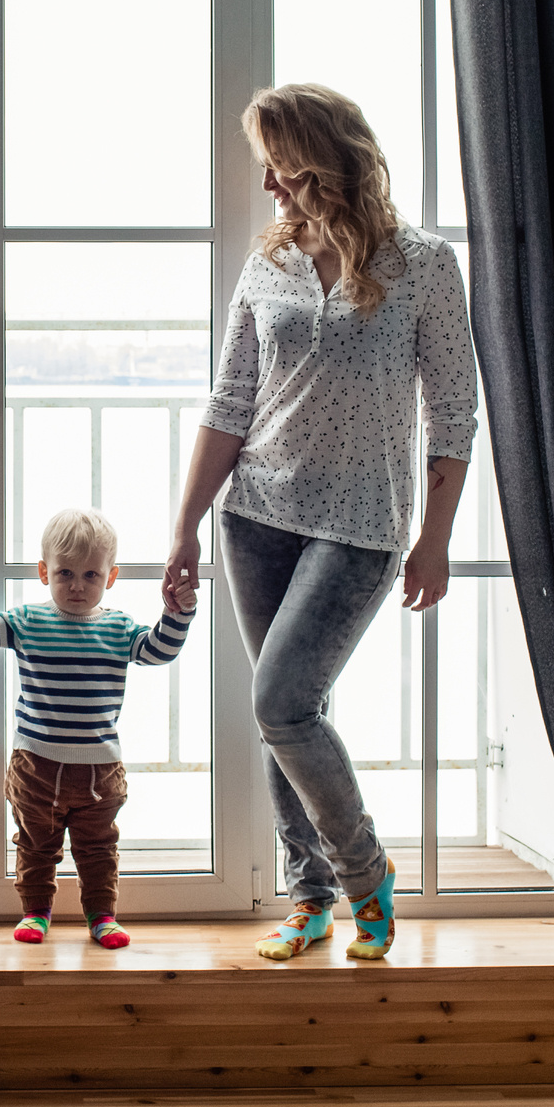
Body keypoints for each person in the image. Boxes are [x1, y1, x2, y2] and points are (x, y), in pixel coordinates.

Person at [162, 83, 479, 962]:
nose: (267, 183)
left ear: (324, 157)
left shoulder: (422, 265)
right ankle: (310, 899)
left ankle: (363, 872)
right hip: (256, 513)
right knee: (286, 711)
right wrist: (186, 526)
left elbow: (454, 412)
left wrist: (438, 538)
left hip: (363, 524)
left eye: (280, 162)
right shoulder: (268, 264)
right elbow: (230, 403)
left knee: (281, 698)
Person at [0, 507, 195, 949]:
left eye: (91, 575)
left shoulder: (118, 626)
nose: (76, 585)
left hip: (99, 771)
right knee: (36, 846)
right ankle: (36, 911)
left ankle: (102, 916)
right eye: (64, 572)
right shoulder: (28, 621)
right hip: (36, 766)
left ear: (110, 578)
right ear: (43, 571)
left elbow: (159, 651)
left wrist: (179, 612)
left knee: (98, 850)